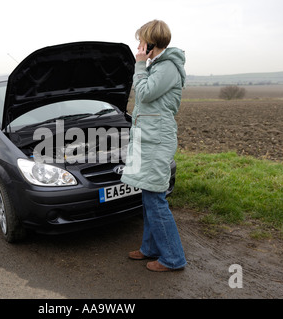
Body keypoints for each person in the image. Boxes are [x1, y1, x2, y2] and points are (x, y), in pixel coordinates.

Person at [121, 19, 187, 272]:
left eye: (140, 41)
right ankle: (149, 248)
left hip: (157, 140)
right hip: (147, 138)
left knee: (156, 197)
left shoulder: (168, 67)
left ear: (150, 42)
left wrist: (139, 63)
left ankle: (173, 258)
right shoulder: (158, 66)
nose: (138, 45)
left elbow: (146, 93)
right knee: (148, 195)